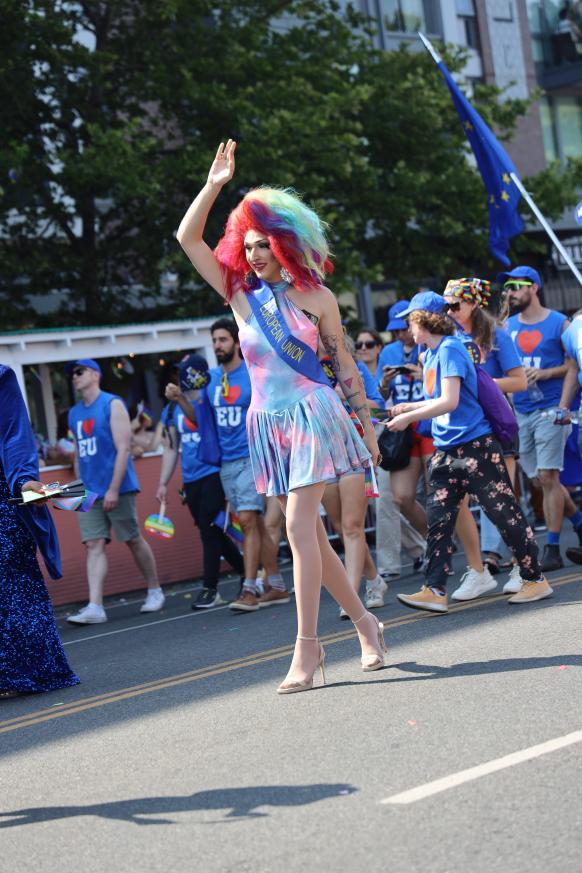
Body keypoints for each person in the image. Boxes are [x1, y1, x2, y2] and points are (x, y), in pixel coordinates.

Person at [176, 139, 385, 692]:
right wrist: (215, 184)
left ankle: (307, 651)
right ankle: (366, 626)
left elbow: (343, 366)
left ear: (285, 244)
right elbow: (186, 238)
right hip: (270, 424)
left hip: (314, 416)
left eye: (264, 244)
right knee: (309, 534)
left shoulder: (317, 297)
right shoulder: (240, 296)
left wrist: (366, 427)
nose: (255, 254)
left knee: (295, 527)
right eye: (248, 245)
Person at [385, 291, 551, 613]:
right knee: (439, 519)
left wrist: (408, 416)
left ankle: (535, 579)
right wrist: (410, 406)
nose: (407, 326)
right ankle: (434, 589)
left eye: (410, 319)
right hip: (448, 448)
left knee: (503, 512)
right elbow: (442, 401)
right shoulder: (431, 354)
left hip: (476, 445)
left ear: (424, 320)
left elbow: (449, 401)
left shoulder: (450, 349)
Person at [180, 318, 287, 611]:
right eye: (214, 340)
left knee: (249, 521)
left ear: (237, 343)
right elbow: (198, 420)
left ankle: (249, 588)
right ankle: (277, 585)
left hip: (252, 458)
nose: (218, 345)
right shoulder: (211, 379)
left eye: (223, 340)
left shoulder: (252, 374)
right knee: (257, 527)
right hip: (225, 463)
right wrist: (180, 399)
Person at [441, 277, 527, 600]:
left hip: (496, 426)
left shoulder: (497, 336)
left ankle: (523, 566)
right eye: (445, 305)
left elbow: (519, 382)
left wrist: (480, 383)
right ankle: (478, 571)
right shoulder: (448, 338)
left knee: (500, 500)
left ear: (473, 303)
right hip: (463, 430)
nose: (448, 311)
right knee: (458, 501)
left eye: (455, 305)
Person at [0, 365, 79, 697]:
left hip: (4, 504)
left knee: (14, 584)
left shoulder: (1, 378)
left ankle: (29, 670)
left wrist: (24, 480)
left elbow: (15, 437)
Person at [65, 359, 164, 624]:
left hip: (117, 487)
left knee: (132, 538)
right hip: (87, 490)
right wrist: (76, 489)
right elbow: (78, 454)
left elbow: (123, 448)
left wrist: (112, 489)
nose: (74, 377)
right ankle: (95, 606)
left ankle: (155, 590)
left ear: (95, 374)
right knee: (93, 544)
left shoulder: (112, 404)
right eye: (72, 374)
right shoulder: (74, 413)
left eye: (79, 372)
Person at [503, 266, 578, 572]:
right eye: (507, 286)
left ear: (533, 287)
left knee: (548, 478)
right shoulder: (506, 327)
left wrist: (548, 375)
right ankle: (580, 521)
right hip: (521, 410)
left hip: (551, 407)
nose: (509, 292)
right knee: (538, 481)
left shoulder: (559, 323)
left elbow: (573, 364)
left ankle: (552, 549)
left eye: (515, 286)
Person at [157, 354, 245, 608]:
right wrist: (163, 482)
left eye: (188, 371)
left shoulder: (212, 397)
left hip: (214, 471)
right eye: (179, 372)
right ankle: (247, 570)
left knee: (209, 526)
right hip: (191, 477)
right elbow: (172, 448)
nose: (183, 377)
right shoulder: (171, 409)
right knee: (212, 529)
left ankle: (210, 587)